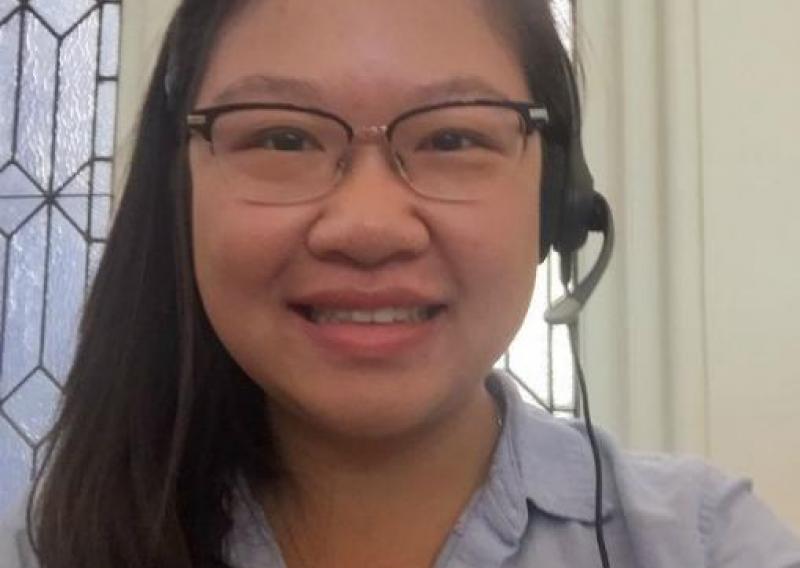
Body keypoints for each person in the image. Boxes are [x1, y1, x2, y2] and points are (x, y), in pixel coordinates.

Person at [2, 0, 799, 566]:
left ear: (557, 201)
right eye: (283, 138)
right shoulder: (55, 545)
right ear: (180, 192)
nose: (368, 227)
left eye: (452, 138)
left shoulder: (702, 545)